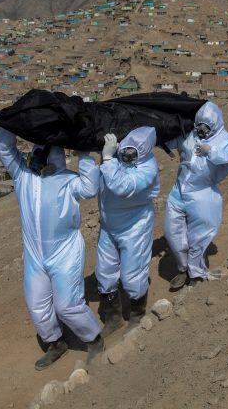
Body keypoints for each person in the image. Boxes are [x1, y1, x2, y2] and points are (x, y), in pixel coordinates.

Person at [0, 128, 104, 370]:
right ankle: (55, 342)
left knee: (67, 305)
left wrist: (84, 155)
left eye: (44, 152)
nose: (38, 156)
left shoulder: (68, 180)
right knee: (37, 304)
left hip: (65, 253)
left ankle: (94, 339)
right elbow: (3, 147)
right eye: (36, 151)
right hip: (35, 256)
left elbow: (90, 188)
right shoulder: (23, 176)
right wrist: (10, 123)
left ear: (55, 155)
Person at [164, 102, 228, 289]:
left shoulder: (227, 141)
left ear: (215, 124)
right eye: (199, 124)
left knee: (199, 236)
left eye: (206, 126)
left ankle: (196, 273)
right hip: (178, 192)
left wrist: (212, 151)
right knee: (172, 232)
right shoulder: (189, 133)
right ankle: (183, 268)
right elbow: (171, 141)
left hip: (202, 194)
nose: (201, 129)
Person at [96, 127, 160, 336]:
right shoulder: (118, 158)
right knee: (105, 273)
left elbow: (122, 187)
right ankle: (114, 318)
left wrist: (107, 158)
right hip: (109, 225)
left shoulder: (147, 169)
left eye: (133, 153)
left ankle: (137, 315)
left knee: (132, 274)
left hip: (134, 226)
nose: (126, 155)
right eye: (125, 150)